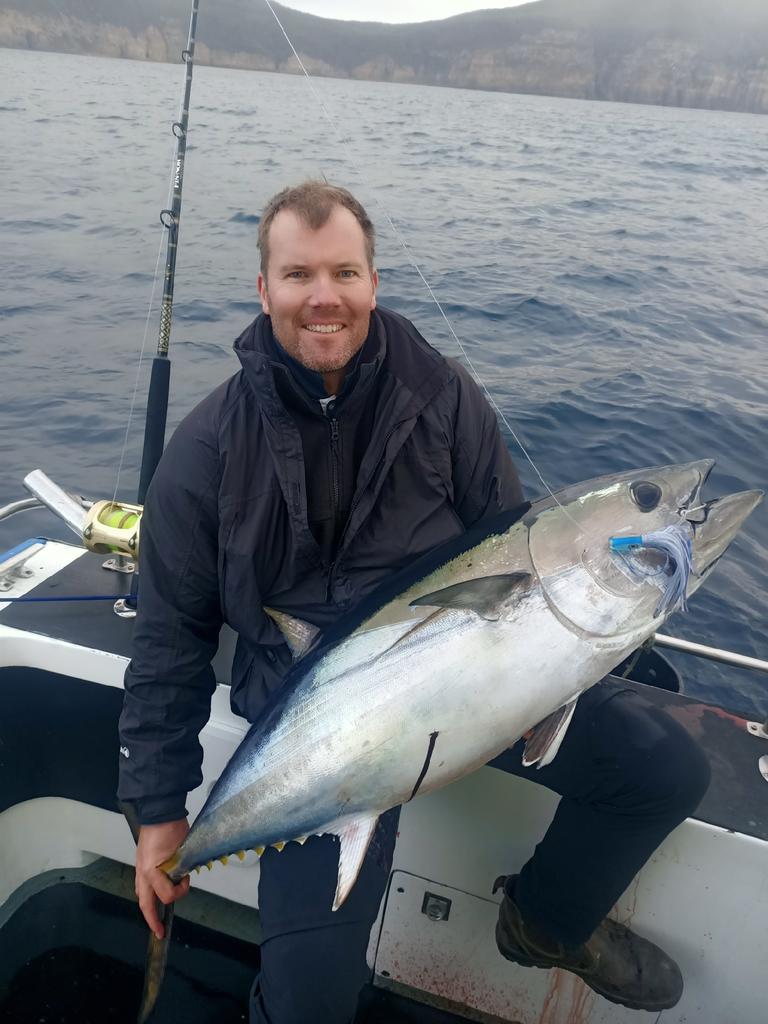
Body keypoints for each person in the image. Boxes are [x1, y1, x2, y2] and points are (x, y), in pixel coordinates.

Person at [118, 181, 710, 1023]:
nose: (324, 297)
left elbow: (512, 551)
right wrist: (156, 812)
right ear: (263, 290)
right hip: (316, 739)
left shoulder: (444, 398)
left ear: (373, 281)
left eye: (345, 273)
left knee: (666, 770)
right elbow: (169, 637)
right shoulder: (207, 452)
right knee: (308, 1002)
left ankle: (545, 924)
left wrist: (602, 624)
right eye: (298, 276)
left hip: (469, 689)